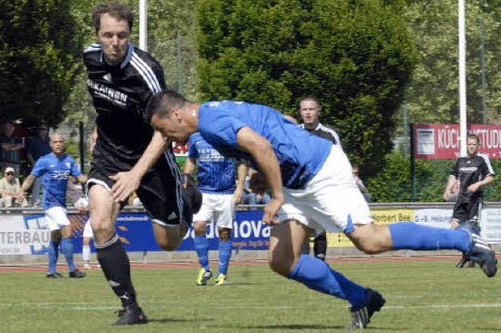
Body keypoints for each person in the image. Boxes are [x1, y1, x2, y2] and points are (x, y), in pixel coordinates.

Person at [146, 89, 497, 329]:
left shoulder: (208, 122)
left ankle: (466, 240)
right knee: (282, 260)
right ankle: (362, 299)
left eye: (165, 130)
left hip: (320, 171)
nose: (172, 140)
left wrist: (276, 193)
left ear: (176, 114)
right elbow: (278, 120)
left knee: (370, 241)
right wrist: (262, 176)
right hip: (296, 180)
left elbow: (263, 145)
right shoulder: (217, 110)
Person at [82, 3, 200, 325]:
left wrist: (136, 174)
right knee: (100, 222)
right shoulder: (89, 58)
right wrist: (99, 129)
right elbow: (104, 101)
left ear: (129, 34)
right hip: (108, 155)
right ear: (97, 35)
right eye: (108, 35)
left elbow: (164, 130)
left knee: (168, 242)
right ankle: (131, 307)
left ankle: (188, 196)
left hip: (151, 158)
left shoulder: (145, 71)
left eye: (121, 35)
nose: (115, 42)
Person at [21, 133, 88, 279]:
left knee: (56, 236)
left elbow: (80, 177)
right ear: (50, 144)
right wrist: (22, 191)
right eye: (55, 142)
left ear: (63, 144)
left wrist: (94, 178)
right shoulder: (44, 161)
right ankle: (72, 269)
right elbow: (31, 177)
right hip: (50, 203)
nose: (58, 144)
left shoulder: (69, 161)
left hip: (61, 203)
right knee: (68, 230)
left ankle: (51, 271)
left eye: (60, 141)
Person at [183, 132, 246, 286]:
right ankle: (205, 268)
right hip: (203, 191)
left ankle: (222, 274)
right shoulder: (196, 137)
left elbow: (243, 162)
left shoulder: (230, 136)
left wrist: (240, 188)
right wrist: (185, 178)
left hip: (227, 192)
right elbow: (191, 160)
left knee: (224, 232)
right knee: (198, 226)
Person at [298, 96, 344, 262]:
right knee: (301, 226)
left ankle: (320, 263)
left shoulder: (329, 135)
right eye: (305, 109)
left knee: (319, 227)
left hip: (322, 189)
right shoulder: (294, 132)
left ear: (318, 111)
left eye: (311, 109)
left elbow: (340, 161)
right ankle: (303, 264)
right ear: (300, 112)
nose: (308, 112)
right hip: (300, 190)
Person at [443, 134, 495, 268]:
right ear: (466, 145)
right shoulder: (460, 160)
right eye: (469, 144)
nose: (471, 146)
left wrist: (478, 184)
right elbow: (453, 176)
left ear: (478, 145)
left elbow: (490, 177)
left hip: (474, 199)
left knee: (471, 229)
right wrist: (448, 189)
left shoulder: (482, 159)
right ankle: (469, 255)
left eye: (473, 144)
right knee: (455, 228)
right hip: (461, 199)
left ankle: (473, 256)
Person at [26, 124, 51, 206]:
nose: (42, 131)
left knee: (48, 183)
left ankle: (47, 201)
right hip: (38, 164)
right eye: (41, 129)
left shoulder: (49, 140)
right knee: (37, 183)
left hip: (49, 164)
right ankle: (35, 201)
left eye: (44, 129)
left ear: (47, 131)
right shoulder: (34, 140)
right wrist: (34, 163)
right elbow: (29, 154)